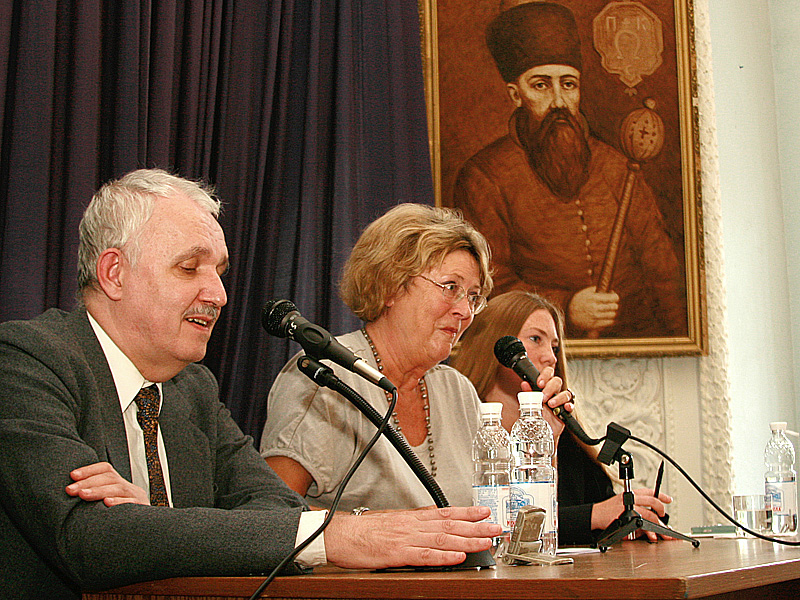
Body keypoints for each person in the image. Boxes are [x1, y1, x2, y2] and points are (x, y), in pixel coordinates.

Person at [0, 170, 501, 599]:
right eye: (189, 268)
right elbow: (86, 539)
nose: (218, 294)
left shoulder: (192, 388)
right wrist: (339, 536)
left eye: (219, 272)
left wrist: (149, 521)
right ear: (114, 273)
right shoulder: (27, 362)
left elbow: (275, 506)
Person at [260, 203, 571, 512]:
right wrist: (391, 532)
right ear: (391, 286)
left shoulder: (458, 391)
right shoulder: (322, 378)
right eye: (451, 287)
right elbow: (273, 518)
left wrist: (543, 443)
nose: (465, 311)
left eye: (473, 297)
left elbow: (509, 520)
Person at [451, 1, 686, 339]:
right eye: (541, 85)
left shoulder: (617, 167)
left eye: (569, 84)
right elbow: (486, 286)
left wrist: (678, 339)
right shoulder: (484, 176)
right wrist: (564, 308)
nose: (559, 101)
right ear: (516, 94)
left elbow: (662, 272)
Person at [450, 290, 672, 545]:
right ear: (495, 346)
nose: (551, 357)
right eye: (535, 339)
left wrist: (635, 517)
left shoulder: (567, 437)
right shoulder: (458, 427)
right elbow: (497, 527)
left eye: (555, 347)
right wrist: (593, 516)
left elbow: (603, 513)